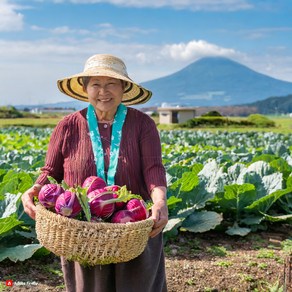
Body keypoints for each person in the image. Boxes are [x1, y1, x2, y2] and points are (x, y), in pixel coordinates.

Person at [21, 54, 168, 292]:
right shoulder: (67, 126)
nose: (103, 92)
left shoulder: (143, 125)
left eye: (111, 84)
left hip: (133, 226)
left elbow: (153, 168)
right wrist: (34, 189)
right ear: (85, 88)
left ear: (124, 88)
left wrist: (160, 200)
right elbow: (50, 171)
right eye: (95, 84)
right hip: (82, 231)